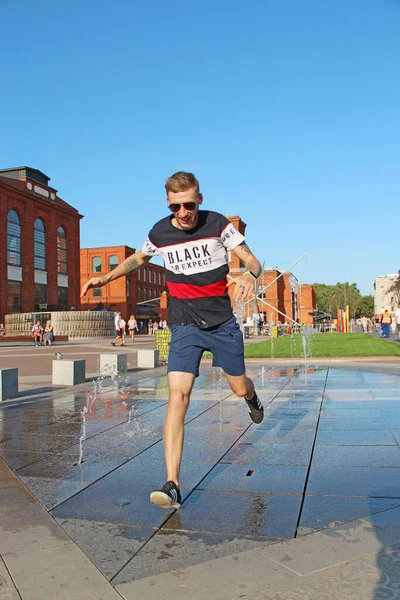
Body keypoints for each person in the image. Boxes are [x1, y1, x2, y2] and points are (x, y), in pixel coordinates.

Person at [81, 171, 263, 510]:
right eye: (177, 206)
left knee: (238, 388)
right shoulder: (159, 232)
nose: (184, 212)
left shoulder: (218, 224)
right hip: (183, 325)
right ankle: (172, 484)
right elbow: (139, 258)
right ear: (168, 204)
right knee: (178, 396)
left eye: (190, 204)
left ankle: (252, 398)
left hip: (222, 323)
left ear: (200, 200)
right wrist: (105, 277)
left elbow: (252, 259)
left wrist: (251, 275)